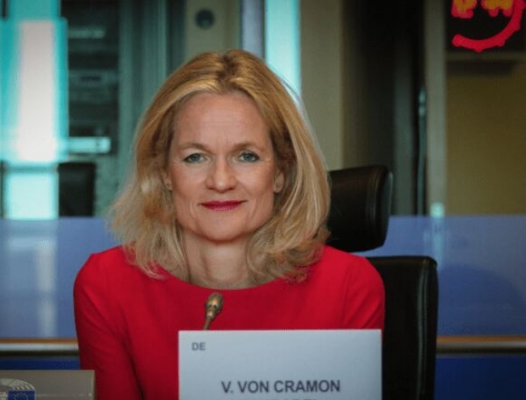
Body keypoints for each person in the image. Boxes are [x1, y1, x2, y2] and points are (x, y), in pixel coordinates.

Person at [73, 49, 385, 400]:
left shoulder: (349, 287)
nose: (220, 181)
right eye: (195, 157)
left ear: (281, 172)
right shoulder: (107, 286)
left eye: (246, 156)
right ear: (164, 173)